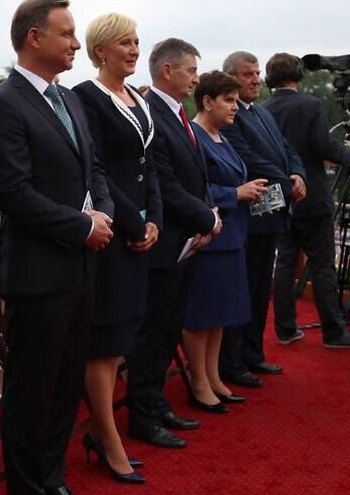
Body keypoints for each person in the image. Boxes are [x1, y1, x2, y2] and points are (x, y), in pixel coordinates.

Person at [0, 2, 115, 493]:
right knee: (32, 391)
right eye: (67, 34)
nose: (76, 44)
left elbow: (95, 170)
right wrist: (81, 226)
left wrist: (103, 213)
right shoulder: (4, 101)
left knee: (66, 386)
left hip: (81, 269)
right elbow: (14, 191)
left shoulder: (69, 99)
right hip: (37, 274)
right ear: (34, 38)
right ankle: (26, 485)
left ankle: (53, 477)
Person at [72, 12, 160, 484]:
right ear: (100, 50)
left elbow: (150, 165)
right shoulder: (86, 97)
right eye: (124, 42)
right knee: (103, 346)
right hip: (113, 232)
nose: (133, 50)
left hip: (141, 232)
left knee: (124, 338)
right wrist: (133, 222)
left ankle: (100, 431)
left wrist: (156, 220)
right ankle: (107, 438)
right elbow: (97, 169)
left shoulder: (139, 100)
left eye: (136, 41)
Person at [126, 38, 222, 449]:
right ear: (168, 70)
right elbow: (164, 183)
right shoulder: (151, 114)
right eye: (191, 71)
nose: (196, 79)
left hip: (187, 242)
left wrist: (209, 212)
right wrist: (207, 218)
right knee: (153, 332)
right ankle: (142, 415)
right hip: (165, 243)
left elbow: (197, 176)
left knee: (169, 329)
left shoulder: (178, 115)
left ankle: (156, 402)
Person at [184, 71, 269, 414]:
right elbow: (193, 189)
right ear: (207, 102)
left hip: (233, 237)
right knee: (201, 314)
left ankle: (213, 376)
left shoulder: (221, 136)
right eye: (229, 100)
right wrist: (236, 193)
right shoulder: (194, 136)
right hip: (210, 238)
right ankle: (199, 381)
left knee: (220, 314)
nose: (235, 107)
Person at [220, 51, 307, 386]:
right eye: (248, 74)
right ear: (231, 78)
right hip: (248, 217)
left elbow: (287, 149)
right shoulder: (231, 118)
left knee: (259, 291)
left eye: (257, 74)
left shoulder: (262, 112)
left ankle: (253, 353)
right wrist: (287, 183)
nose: (256, 80)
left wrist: (297, 174)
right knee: (242, 290)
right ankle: (232, 361)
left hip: (271, 214)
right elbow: (249, 159)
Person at [264, 52, 350, 349]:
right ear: (298, 74)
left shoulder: (262, 109)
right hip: (313, 198)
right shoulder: (311, 105)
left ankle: (285, 329)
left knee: (284, 262)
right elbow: (323, 146)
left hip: (279, 198)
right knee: (322, 265)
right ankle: (334, 333)